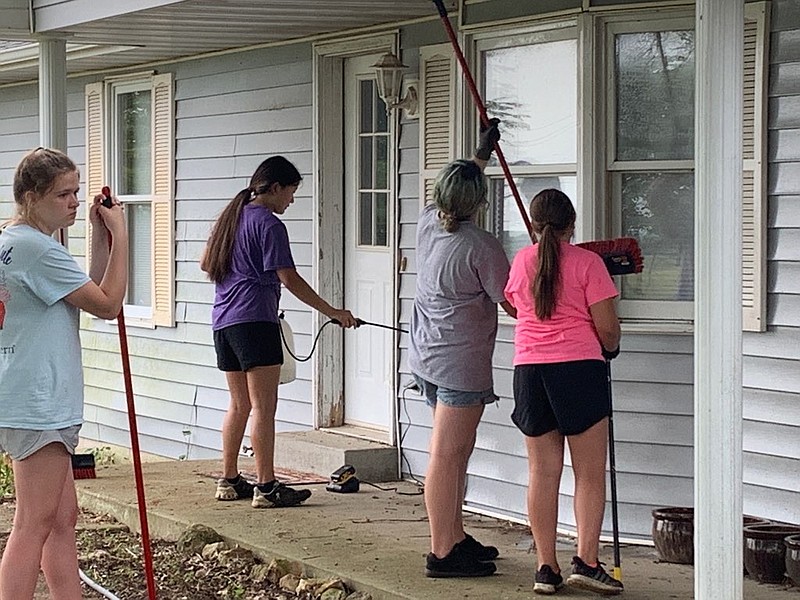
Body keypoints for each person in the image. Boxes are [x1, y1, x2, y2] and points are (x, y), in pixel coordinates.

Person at [0, 147, 128, 600]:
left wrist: (98, 239)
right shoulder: (36, 250)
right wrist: (122, 234)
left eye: (76, 191)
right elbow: (110, 305)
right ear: (31, 197)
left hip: (28, 394)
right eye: (62, 194)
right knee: (32, 523)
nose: (74, 201)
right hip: (40, 401)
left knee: (61, 519)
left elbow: (88, 294)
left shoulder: (16, 242)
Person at [201, 155, 358, 509]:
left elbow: (205, 262)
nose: (291, 199)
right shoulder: (269, 225)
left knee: (239, 404)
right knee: (263, 408)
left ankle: (228, 479)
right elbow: (289, 277)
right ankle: (267, 486)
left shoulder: (232, 217)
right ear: (274, 188)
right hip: (255, 321)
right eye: (290, 191)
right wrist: (332, 311)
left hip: (223, 323)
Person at [409, 119, 517, 578]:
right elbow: (512, 302)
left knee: (456, 453)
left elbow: (457, 189)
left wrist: (480, 154)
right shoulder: (483, 247)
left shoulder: (429, 225)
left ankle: (454, 534)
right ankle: (442, 552)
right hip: (459, 365)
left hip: (428, 358)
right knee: (447, 456)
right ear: (480, 204)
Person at [504, 188, 623, 595]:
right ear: (572, 224)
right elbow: (606, 327)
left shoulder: (522, 261)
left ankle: (546, 568)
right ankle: (586, 562)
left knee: (542, 472)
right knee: (588, 475)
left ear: (535, 226)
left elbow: (516, 307)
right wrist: (611, 347)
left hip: (530, 371)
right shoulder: (589, 264)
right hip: (578, 370)